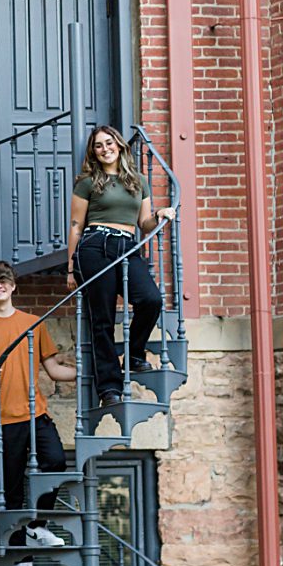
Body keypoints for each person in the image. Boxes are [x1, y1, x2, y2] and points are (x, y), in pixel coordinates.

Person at [0, 260, 78, 566]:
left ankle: (38, 526)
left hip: (35, 414)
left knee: (54, 462)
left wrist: (90, 373)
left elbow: (54, 370)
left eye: (4, 281)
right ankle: (21, 564)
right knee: (10, 495)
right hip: (2, 422)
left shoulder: (32, 324)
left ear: (12, 286)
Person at [66, 125, 175, 407]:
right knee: (101, 319)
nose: (105, 149)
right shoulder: (88, 182)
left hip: (127, 246)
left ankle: (135, 354)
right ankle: (109, 389)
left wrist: (160, 213)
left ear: (119, 145)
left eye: (109, 142)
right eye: (98, 146)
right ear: (94, 152)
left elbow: (144, 223)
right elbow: (77, 225)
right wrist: (70, 268)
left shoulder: (138, 181)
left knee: (151, 300)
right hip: (94, 246)